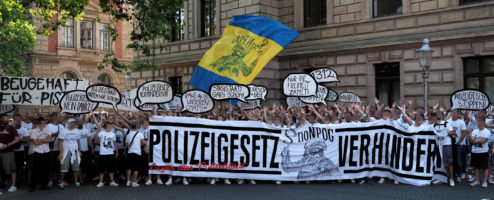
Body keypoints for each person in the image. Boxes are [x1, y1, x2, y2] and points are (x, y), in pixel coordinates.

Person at [92, 112, 119, 188]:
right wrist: (97, 131)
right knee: (101, 169)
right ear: (106, 126)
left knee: (111, 168)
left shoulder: (112, 134)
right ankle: (101, 181)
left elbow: (115, 143)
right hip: (103, 154)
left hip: (110, 153)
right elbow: (94, 137)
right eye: (109, 125)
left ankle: (112, 181)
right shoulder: (102, 133)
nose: (111, 126)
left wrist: (116, 151)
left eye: (111, 125)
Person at [430, 112, 456, 186]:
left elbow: (452, 132)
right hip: (437, 145)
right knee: (439, 162)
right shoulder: (433, 125)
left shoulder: (445, 123)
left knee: (448, 162)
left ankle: (451, 179)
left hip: (446, 144)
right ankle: (442, 178)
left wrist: (444, 134)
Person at [57, 119, 82, 189]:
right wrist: (61, 152)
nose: (75, 124)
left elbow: (78, 141)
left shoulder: (77, 131)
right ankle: (61, 182)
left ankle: (76, 181)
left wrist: (79, 151)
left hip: (75, 151)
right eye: (74, 123)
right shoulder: (63, 131)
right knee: (63, 168)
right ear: (70, 123)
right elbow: (60, 142)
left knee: (76, 167)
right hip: (66, 151)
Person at [29, 117, 51, 192]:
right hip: (37, 152)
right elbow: (35, 142)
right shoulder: (33, 131)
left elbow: (50, 139)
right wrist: (45, 140)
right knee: (35, 170)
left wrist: (41, 140)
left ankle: (44, 185)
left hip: (46, 151)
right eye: (43, 123)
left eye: (45, 123)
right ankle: (32, 186)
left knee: (46, 169)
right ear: (39, 123)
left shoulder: (47, 129)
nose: (44, 124)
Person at [0, 114, 20, 194]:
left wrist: (7, 145)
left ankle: (13, 185)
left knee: (11, 169)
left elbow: (17, 139)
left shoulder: (11, 128)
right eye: (4, 118)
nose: (6, 120)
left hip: (8, 151)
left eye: (7, 119)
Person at [469, 117, 490, 188]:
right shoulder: (475, 131)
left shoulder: (487, 131)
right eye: (478, 122)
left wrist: (475, 141)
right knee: (476, 167)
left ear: (483, 123)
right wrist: (474, 140)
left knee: (485, 167)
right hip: (475, 151)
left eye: (480, 122)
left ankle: (484, 181)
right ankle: (477, 181)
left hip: (483, 152)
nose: (478, 123)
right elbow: (471, 139)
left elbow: (483, 141)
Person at [447, 110, 467, 182]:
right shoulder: (448, 121)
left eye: (455, 113)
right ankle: (453, 174)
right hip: (450, 143)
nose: (453, 114)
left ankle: (459, 175)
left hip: (458, 144)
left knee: (458, 160)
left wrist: (459, 141)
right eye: (452, 113)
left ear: (458, 114)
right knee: (452, 160)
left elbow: (464, 133)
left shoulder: (461, 122)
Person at [125, 123, 145, 187]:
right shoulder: (140, 134)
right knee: (136, 168)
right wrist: (139, 145)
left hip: (130, 152)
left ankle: (128, 181)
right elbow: (143, 142)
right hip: (137, 152)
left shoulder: (128, 135)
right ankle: (134, 182)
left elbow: (126, 145)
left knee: (129, 168)